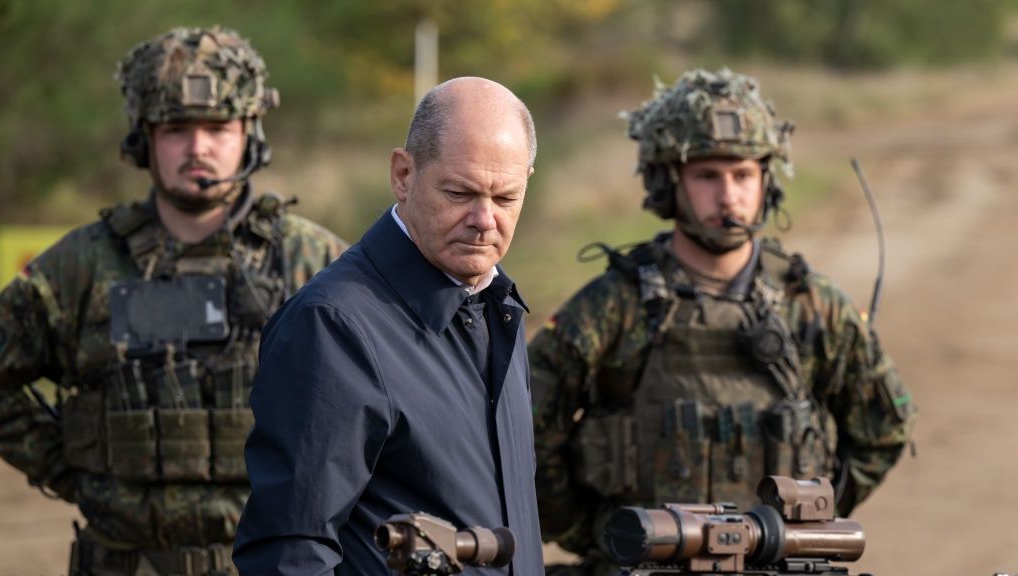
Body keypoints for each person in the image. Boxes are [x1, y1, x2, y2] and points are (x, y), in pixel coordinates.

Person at [530, 68, 917, 574]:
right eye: (707, 176)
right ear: (669, 181)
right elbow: (528, 432)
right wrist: (602, 533)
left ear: (766, 180)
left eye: (743, 175)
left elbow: (885, 430)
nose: (729, 196)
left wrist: (799, 526)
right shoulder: (614, 306)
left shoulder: (813, 306)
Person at [0, 26, 347, 576]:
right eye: (177, 129)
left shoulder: (313, 262)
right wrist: (73, 468)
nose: (198, 147)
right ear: (144, 137)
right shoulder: (80, 267)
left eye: (217, 128)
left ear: (249, 132)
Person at [233, 76, 544, 575]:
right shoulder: (332, 327)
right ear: (403, 174)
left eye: (505, 198)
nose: (484, 219)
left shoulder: (497, 306)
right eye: (460, 192)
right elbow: (290, 552)